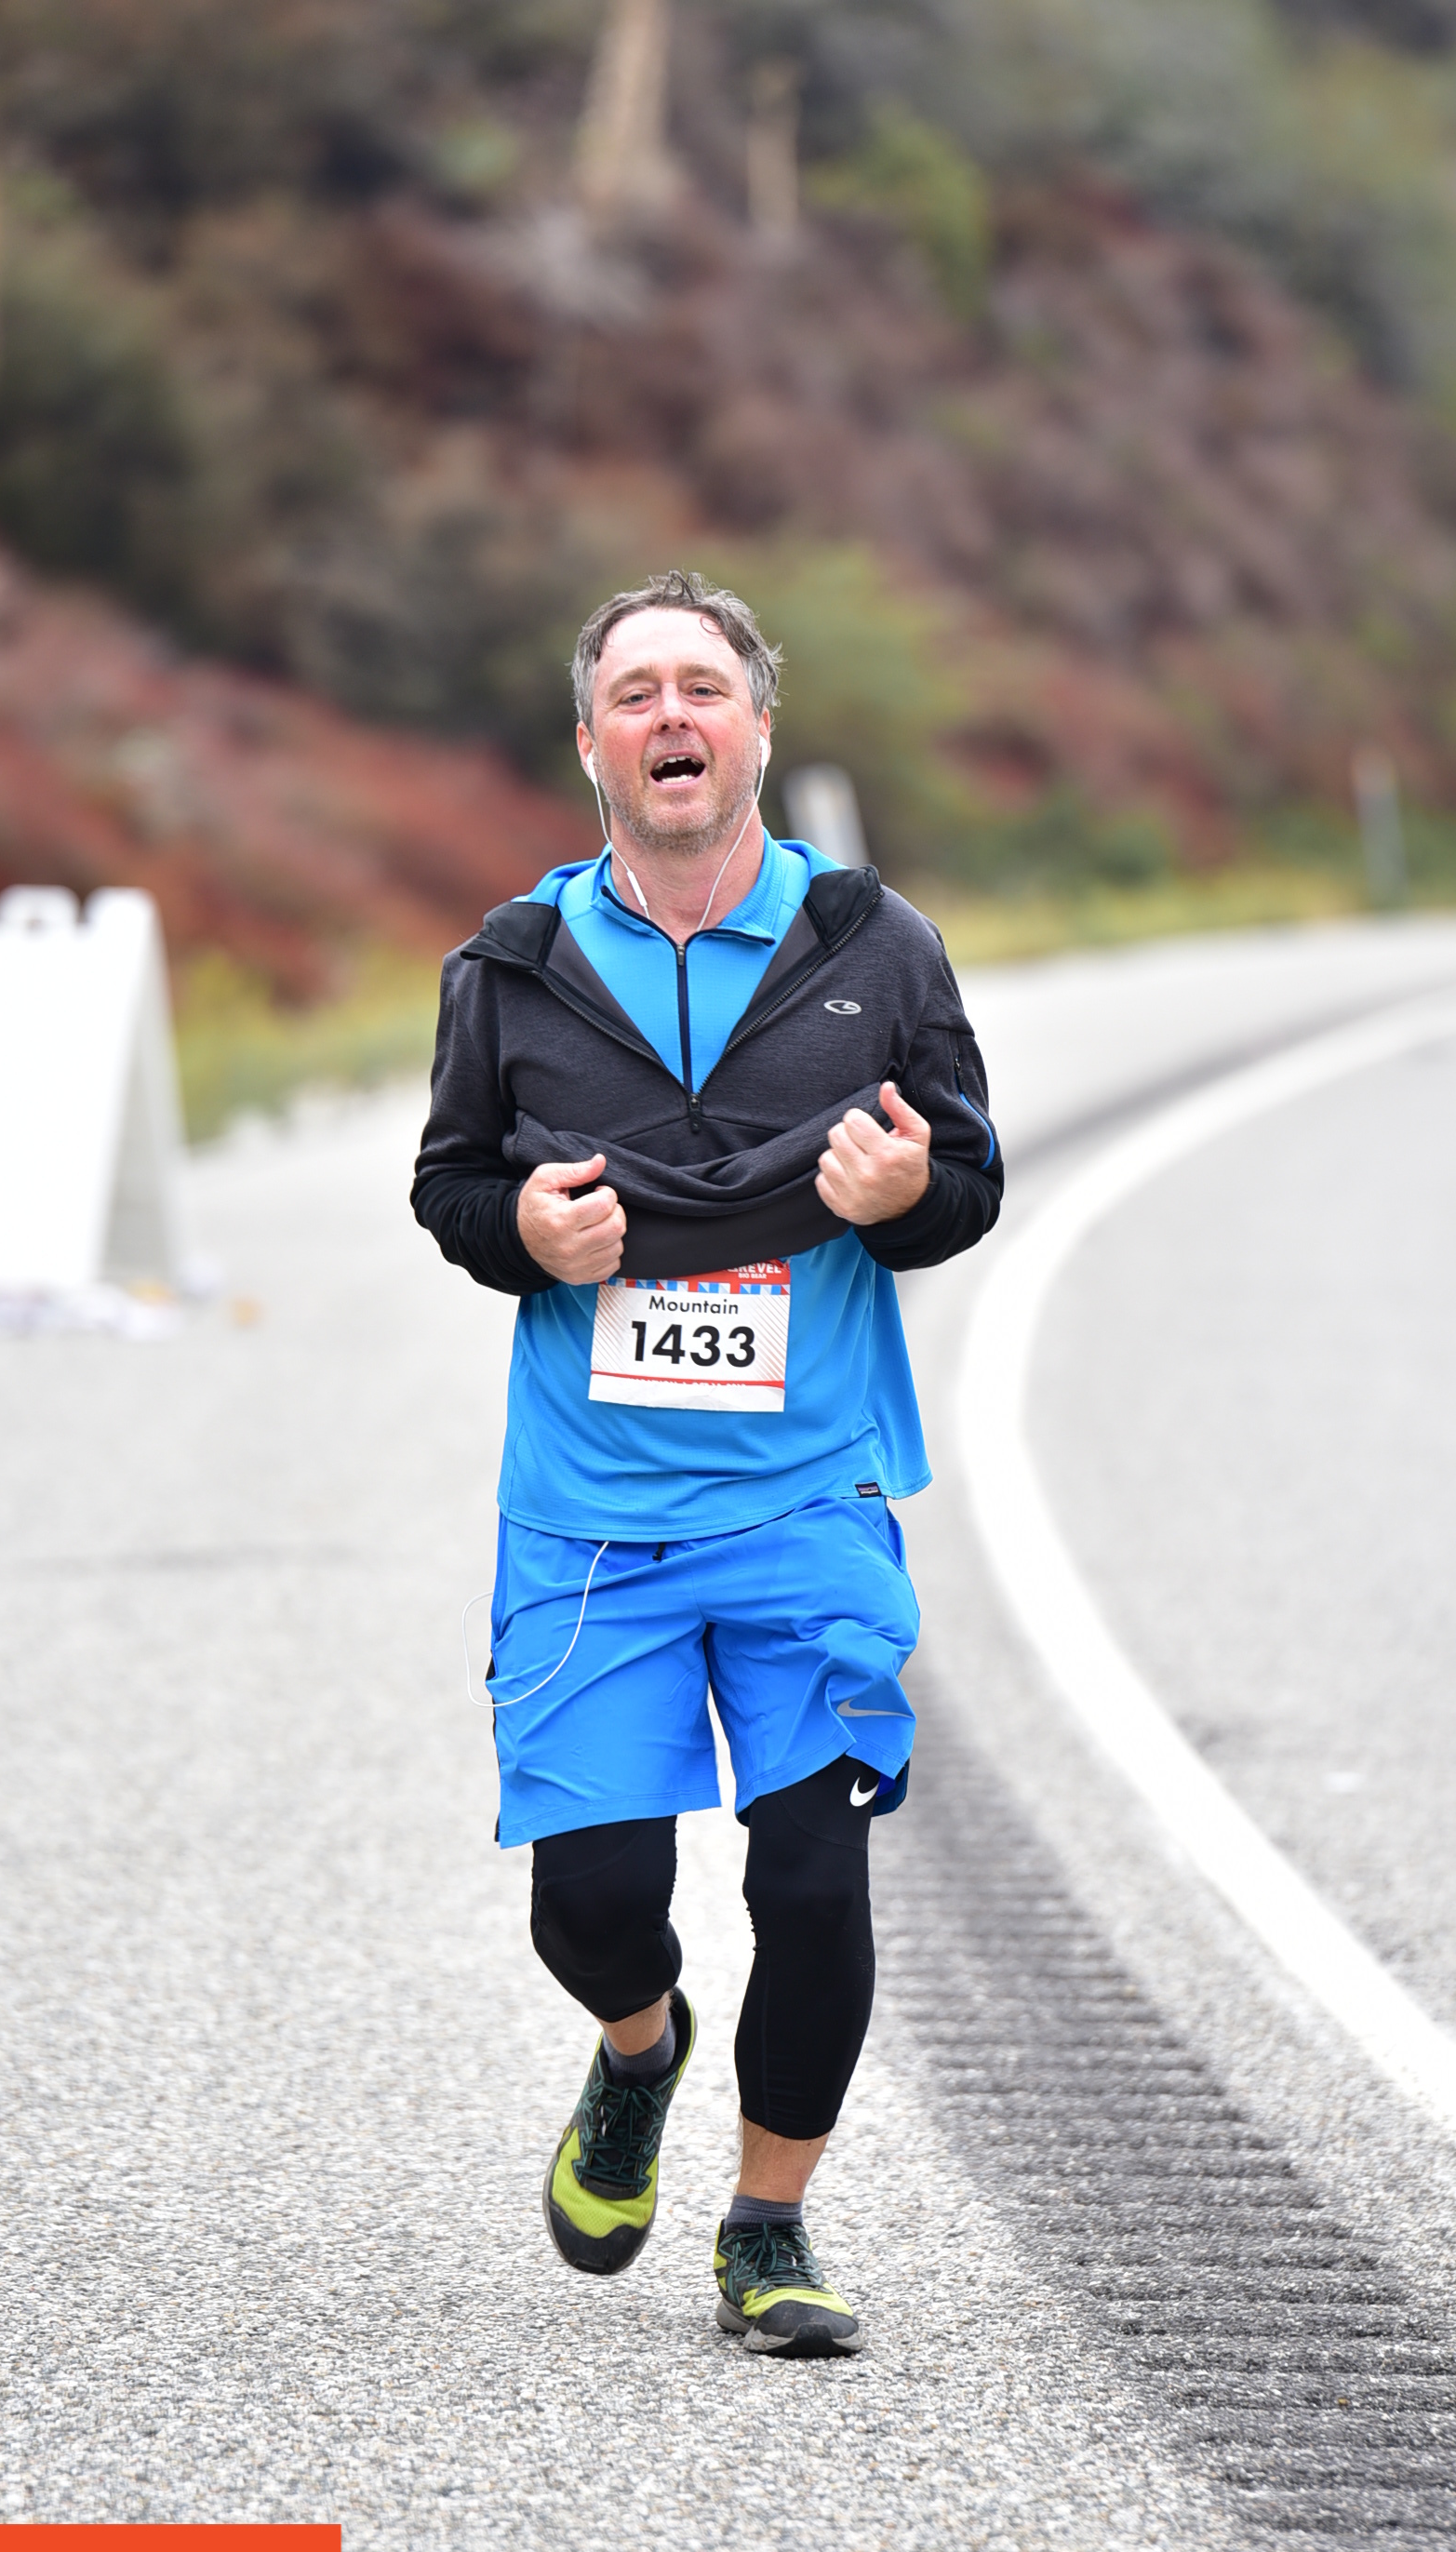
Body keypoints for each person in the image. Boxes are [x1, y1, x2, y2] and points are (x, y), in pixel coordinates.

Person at [412, 567, 1002, 2357]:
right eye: (635, 693)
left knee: (814, 1875)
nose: (672, 716)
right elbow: (451, 1189)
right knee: (593, 1903)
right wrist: (525, 1227)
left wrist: (906, 1194)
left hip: (806, 1497)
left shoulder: (874, 947)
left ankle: (770, 2226)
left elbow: (967, 1178)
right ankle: (637, 2047)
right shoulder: (511, 966)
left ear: (757, 724)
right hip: (590, 1518)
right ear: (593, 745)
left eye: (703, 687)